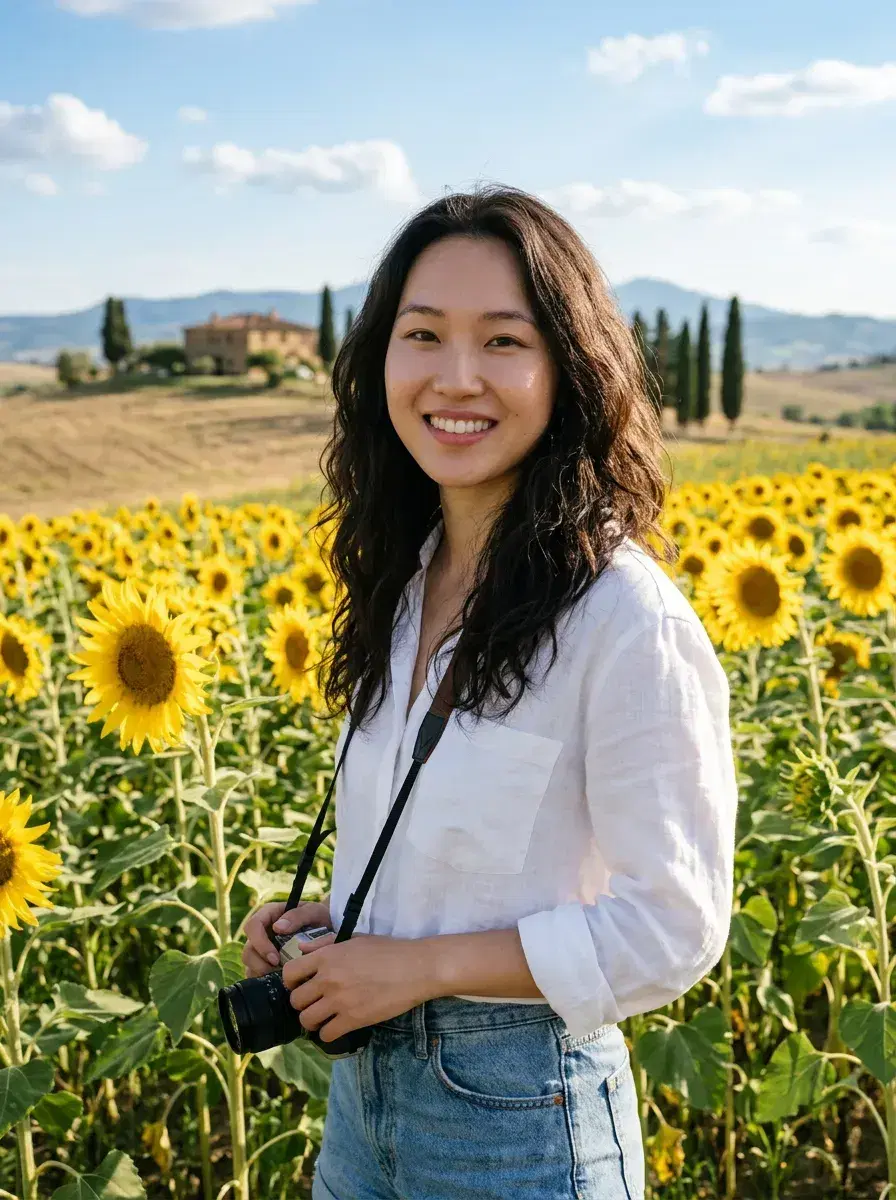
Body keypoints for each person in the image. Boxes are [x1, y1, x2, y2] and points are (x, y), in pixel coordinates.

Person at [241, 184, 738, 1200]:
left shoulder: (618, 616)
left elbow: (674, 926)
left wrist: (421, 970)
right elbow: (449, 855)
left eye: (503, 342)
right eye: (421, 334)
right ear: (380, 357)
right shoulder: (402, 579)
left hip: (519, 1112)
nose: (454, 377)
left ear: (568, 368)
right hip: (362, 1103)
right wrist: (333, 924)